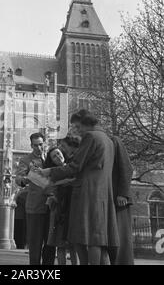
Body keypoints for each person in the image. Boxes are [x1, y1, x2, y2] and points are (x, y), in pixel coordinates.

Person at [37, 110, 120, 265]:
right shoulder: (108, 140)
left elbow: (75, 166)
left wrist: (48, 171)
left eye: (77, 126)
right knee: (98, 238)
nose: (77, 130)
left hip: (86, 192)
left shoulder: (90, 137)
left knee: (82, 237)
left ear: (85, 122)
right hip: (102, 192)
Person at [15, 132, 56, 265]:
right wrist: (28, 178)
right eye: (35, 145)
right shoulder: (26, 160)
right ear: (31, 145)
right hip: (35, 207)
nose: (38, 148)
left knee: (50, 244)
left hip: (52, 206)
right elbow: (18, 179)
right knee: (35, 244)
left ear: (44, 143)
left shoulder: (51, 157)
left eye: (40, 144)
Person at [44, 143, 78, 265]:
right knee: (60, 245)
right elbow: (48, 187)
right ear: (51, 161)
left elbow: (77, 180)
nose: (58, 157)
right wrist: (66, 181)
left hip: (73, 209)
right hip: (59, 210)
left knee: (74, 246)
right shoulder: (53, 173)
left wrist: (63, 182)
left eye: (58, 153)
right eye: (54, 156)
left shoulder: (72, 167)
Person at [108, 135, 134, 265]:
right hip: (107, 198)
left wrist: (122, 193)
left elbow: (127, 168)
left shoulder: (114, 141)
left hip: (119, 200)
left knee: (121, 239)